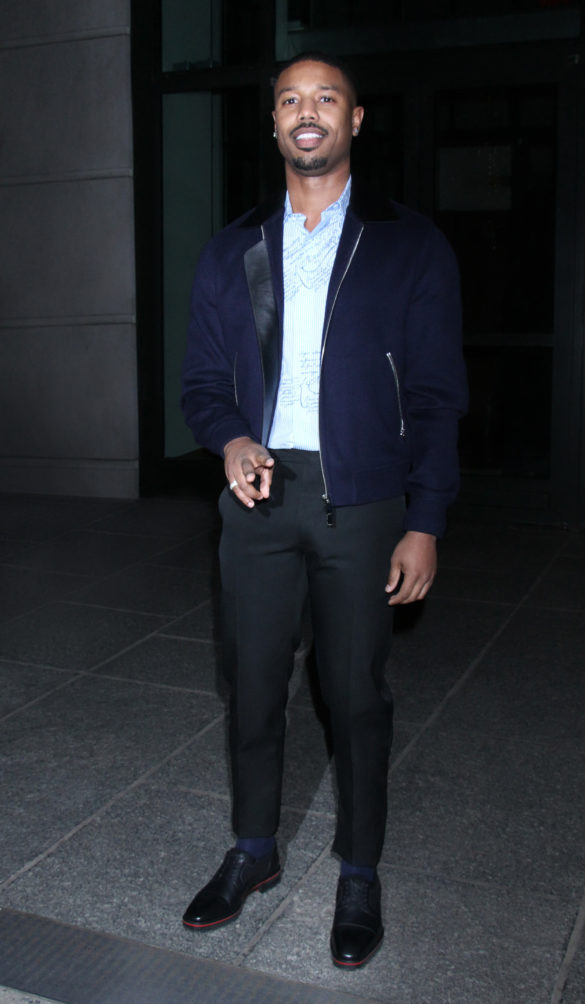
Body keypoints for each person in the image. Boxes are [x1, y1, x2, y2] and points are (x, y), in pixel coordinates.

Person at [180, 51, 467, 968]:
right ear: (272, 124)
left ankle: (358, 872)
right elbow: (201, 384)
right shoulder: (232, 249)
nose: (307, 112)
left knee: (354, 695)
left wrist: (424, 519)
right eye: (290, 100)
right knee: (250, 683)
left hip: (364, 502)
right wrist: (232, 439)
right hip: (258, 498)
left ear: (354, 120)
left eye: (326, 98)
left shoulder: (408, 244)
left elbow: (436, 396)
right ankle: (252, 849)